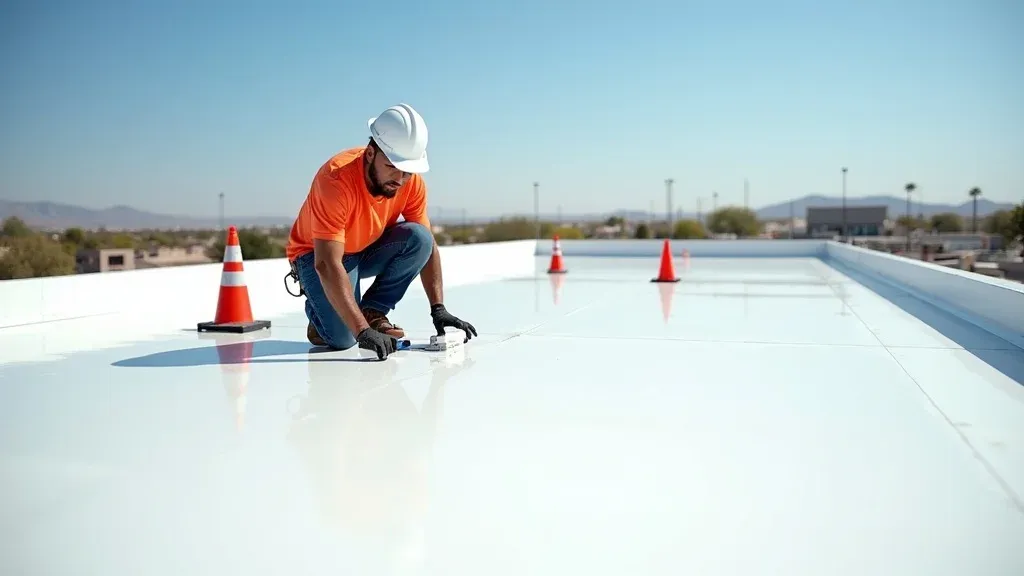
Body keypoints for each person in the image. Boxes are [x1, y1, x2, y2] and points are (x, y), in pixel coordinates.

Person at [284, 103, 477, 360]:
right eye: (392, 166)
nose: (399, 178)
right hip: (318, 256)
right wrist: (362, 332)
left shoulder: (411, 182)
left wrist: (438, 309)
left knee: (420, 237)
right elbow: (327, 263)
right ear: (370, 153)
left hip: (365, 249)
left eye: (407, 171)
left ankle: (372, 310)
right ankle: (321, 317)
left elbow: (427, 246)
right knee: (343, 339)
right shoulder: (335, 180)